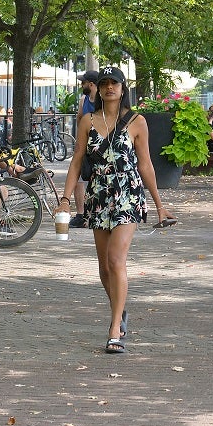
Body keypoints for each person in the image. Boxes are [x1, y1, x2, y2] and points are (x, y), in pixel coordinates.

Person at [58, 66, 175, 353]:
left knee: (115, 260)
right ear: (97, 89)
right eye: (104, 83)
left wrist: (159, 205)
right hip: (98, 195)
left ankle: (114, 331)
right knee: (103, 267)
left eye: (115, 83)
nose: (110, 87)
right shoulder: (87, 120)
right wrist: (65, 198)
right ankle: (119, 310)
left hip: (128, 194)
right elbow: (76, 161)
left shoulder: (137, 122)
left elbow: (145, 164)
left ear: (124, 89)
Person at [68, 70, 102, 228]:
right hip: (85, 145)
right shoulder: (84, 99)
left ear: (92, 84)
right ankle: (81, 214)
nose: (82, 85)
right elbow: (80, 118)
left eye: (84, 82)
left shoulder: (103, 100)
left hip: (100, 146)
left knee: (97, 179)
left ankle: (95, 213)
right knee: (79, 178)